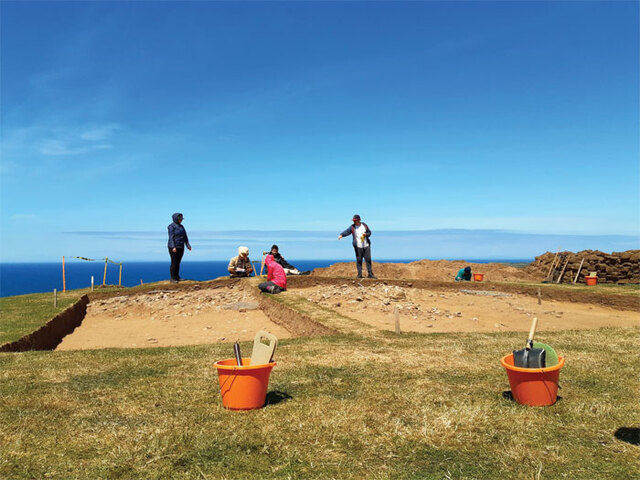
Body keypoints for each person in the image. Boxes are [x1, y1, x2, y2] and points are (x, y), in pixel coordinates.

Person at [338, 214, 375, 279]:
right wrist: (341, 235)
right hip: (358, 246)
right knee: (359, 260)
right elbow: (347, 231)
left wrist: (366, 234)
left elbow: (369, 233)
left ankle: (370, 274)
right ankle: (359, 274)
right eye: (353, 221)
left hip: (366, 245)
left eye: (355, 220)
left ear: (359, 220)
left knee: (368, 260)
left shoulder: (364, 225)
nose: (354, 222)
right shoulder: (352, 227)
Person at [167, 213, 191, 283]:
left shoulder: (181, 227)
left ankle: (177, 276)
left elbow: (185, 236)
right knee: (174, 262)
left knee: (178, 262)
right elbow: (171, 237)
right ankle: (172, 278)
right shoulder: (171, 227)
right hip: (173, 247)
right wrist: (173, 247)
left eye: (181, 219)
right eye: (179, 219)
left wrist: (188, 245)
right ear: (176, 219)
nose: (181, 220)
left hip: (181, 246)